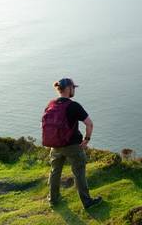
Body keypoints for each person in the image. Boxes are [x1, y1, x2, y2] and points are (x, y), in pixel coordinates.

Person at [42, 77, 102, 209]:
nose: (74, 90)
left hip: (55, 145)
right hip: (72, 146)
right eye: (73, 87)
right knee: (79, 172)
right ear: (68, 89)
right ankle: (87, 202)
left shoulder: (50, 104)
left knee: (55, 172)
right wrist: (86, 140)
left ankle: (53, 199)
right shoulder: (73, 105)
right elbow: (89, 124)